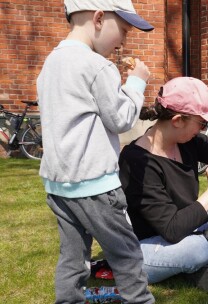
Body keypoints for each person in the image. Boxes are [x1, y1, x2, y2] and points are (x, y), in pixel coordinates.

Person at [36, 0, 155, 302]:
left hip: (59, 186)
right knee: (127, 256)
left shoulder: (51, 63)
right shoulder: (97, 66)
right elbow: (121, 118)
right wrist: (137, 82)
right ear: (99, 18)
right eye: (124, 30)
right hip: (95, 186)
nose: (124, 41)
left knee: (73, 259)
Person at [118, 77, 208, 291]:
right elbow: (171, 229)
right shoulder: (137, 162)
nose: (203, 130)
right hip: (149, 245)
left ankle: (194, 267)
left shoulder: (187, 141)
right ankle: (199, 261)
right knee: (198, 250)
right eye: (202, 123)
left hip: (188, 225)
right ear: (178, 120)